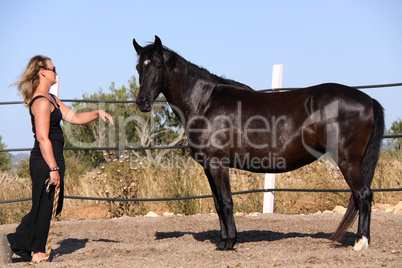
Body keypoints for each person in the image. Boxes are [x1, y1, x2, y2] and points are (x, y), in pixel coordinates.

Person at [1, 55, 114, 263]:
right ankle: (37, 252)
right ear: (42, 71)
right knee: (44, 205)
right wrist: (53, 168)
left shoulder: (51, 99)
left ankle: (14, 241)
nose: (56, 72)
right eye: (53, 68)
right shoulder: (41, 102)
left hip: (53, 159)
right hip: (45, 160)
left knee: (52, 204)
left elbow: (75, 118)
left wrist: (97, 112)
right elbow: (43, 138)